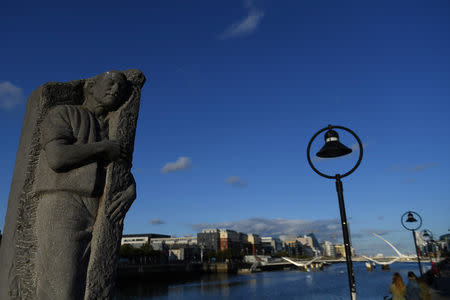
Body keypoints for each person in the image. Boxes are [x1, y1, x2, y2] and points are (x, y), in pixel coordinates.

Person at [34, 71, 136, 300]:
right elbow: (57, 157)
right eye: (110, 83)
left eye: (121, 87)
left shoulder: (111, 129)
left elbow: (120, 172)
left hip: (96, 209)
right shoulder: (63, 113)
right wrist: (102, 148)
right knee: (61, 287)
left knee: (91, 285)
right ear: (90, 87)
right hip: (63, 205)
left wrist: (130, 190)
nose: (116, 90)